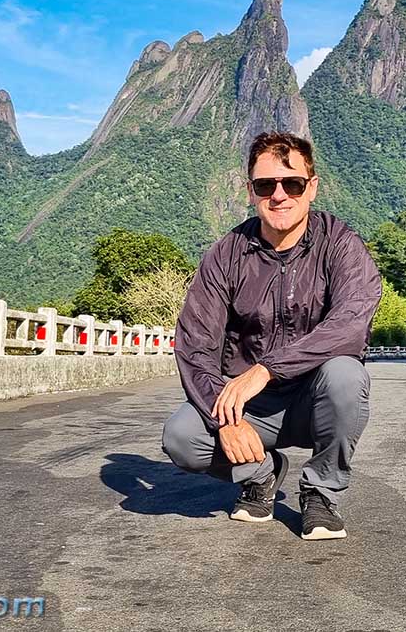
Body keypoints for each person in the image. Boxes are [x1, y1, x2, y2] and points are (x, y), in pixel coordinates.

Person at [160, 130, 382, 540]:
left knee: (347, 376)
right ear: (250, 191)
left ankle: (321, 494)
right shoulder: (227, 254)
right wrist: (222, 418)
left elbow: (351, 321)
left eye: (292, 183)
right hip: (252, 407)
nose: (279, 195)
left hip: (316, 399)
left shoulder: (341, 244)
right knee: (182, 438)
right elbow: (194, 344)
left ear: (311, 187)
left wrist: (266, 369)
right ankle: (262, 473)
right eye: (266, 185)